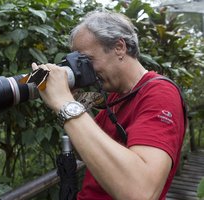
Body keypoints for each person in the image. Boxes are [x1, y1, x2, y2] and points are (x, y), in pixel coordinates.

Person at [32, 10, 186, 200]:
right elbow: (85, 152)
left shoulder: (160, 94)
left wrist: (64, 103)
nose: (84, 70)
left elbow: (141, 192)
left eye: (86, 60)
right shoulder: (116, 95)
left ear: (119, 47)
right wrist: (72, 102)